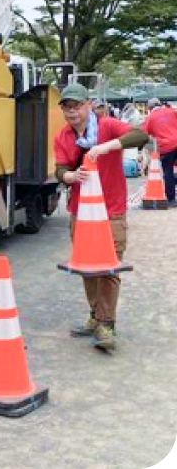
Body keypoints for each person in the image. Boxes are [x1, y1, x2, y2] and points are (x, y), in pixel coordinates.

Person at [54, 83, 148, 350]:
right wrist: (70, 176)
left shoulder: (107, 126)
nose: (72, 112)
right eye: (67, 108)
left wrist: (107, 146)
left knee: (109, 267)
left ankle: (107, 324)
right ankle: (96, 316)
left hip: (111, 210)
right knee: (87, 268)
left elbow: (140, 135)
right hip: (81, 213)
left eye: (77, 106)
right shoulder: (63, 136)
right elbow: (60, 169)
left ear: (88, 105)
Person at [142, 97, 177, 207]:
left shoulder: (150, 117)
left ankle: (171, 199)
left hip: (166, 147)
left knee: (168, 171)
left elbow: (144, 133)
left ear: (149, 108)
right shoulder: (171, 111)